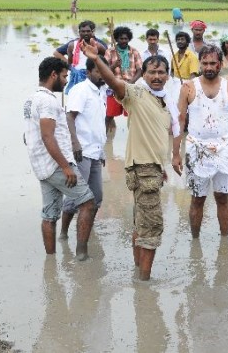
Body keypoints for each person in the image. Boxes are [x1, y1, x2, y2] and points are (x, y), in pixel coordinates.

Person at [83, 38, 173, 281]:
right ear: (143, 74)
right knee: (151, 228)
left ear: (167, 76)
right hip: (144, 171)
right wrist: (97, 59)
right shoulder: (137, 94)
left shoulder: (163, 102)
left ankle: (137, 273)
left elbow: (156, 137)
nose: (157, 76)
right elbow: (114, 82)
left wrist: (162, 166)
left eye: (161, 72)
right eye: (152, 72)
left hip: (150, 168)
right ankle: (145, 285)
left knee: (140, 223)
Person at [23, 57, 95, 260]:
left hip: (41, 166)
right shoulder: (47, 100)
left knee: (49, 214)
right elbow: (48, 136)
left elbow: (28, 135)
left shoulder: (31, 99)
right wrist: (66, 167)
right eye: (64, 76)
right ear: (53, 75)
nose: (65, 81)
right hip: (56, 165)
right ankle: (82, 255)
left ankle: (51, 260)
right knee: (88, 203)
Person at [172, 44, 228, 239]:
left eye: (213, 63)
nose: (208, 67)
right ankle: (195, 241)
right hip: (196, 148)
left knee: (223, 197)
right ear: (200, 64)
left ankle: (224, 240)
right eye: (204, 63)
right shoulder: (188, 87)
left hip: (224, 148)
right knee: (197, 199)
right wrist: (175, 154)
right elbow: (179, 120)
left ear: (220, 64)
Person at [60, 56, 109, 242]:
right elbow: (69, 117)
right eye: (98, 71)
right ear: (88, 72)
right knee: (76, 197)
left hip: (96, 151)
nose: (102, 74)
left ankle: (87, 228)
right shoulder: (80, 90)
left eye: (104, 70)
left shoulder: (101, 91)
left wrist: (103, 150)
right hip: (82, 151)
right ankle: (64, 233)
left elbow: (97, 122)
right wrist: (74, 143)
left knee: (96, 197)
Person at [104, 26, 143, 132]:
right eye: (121, 38)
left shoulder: (134, 51)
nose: (124, 41)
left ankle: (134, 137)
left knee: (132, 115)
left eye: (126, 38)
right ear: (116, 39)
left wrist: (132, 81)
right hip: (114, 87)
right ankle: (105, 138)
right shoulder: (110, 52)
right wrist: (114, 65)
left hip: (130, 87)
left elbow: (140, 70)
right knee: (109, 115)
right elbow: (104, 70)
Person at [64, 21, 107, 93]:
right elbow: (69, 63)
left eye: (88, 31)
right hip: (76, 78)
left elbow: (104, 62)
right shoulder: (72, 45)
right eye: (83, 31)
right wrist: (75, 72)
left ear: (92, 32)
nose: (85, 33)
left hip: (92, 78)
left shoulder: (98, 46)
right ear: (79, 32)